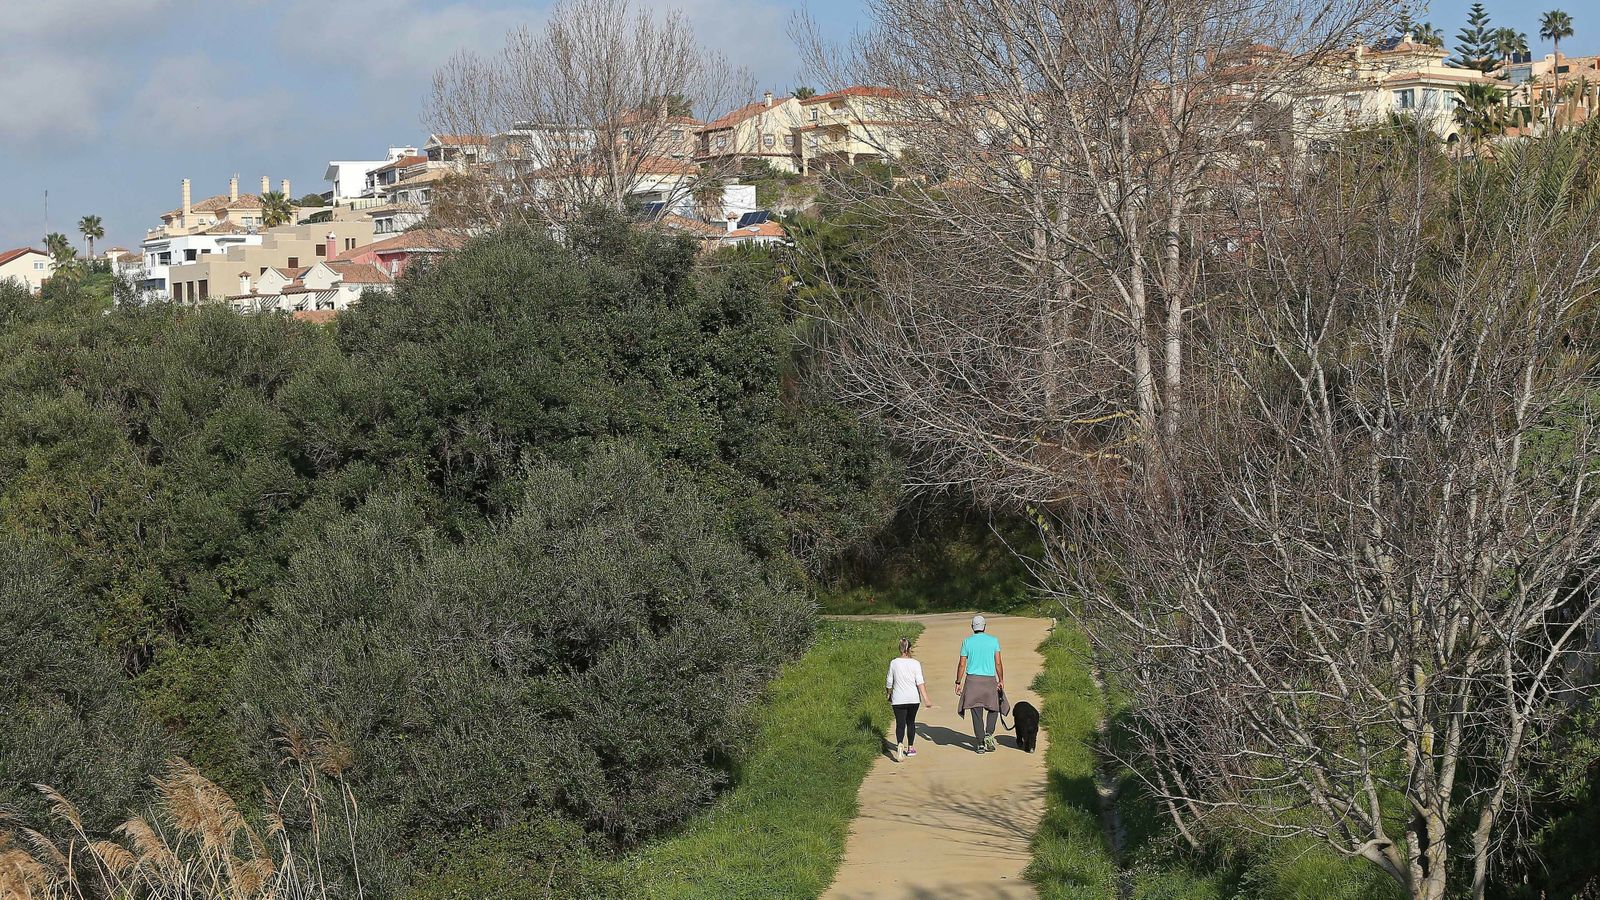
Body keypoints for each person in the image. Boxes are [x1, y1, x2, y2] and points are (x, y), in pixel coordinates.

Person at [955, 614, 1004, 753]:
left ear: (972, 627)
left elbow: (962, 664)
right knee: (994, 708)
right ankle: (989, 733)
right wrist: (1001, 680)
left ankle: (980, 743)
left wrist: (958, 682)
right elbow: (998, 662)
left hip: (972, 681)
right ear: (984, 627)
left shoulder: (967, 641)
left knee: (976, 712)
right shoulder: (994, 641)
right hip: (989, 680)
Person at [886, 636, 933, 761]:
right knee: (910, 722)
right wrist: (926, 699)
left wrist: (888, 694)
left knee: (900, 724)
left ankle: (900, 744)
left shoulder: (894, 663)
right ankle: (910, 747)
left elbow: (889, 682)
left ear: (899, 649)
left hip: (898, 699)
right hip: (913, 699)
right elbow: (920, 682)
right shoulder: (915, 663)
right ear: (909, 649)